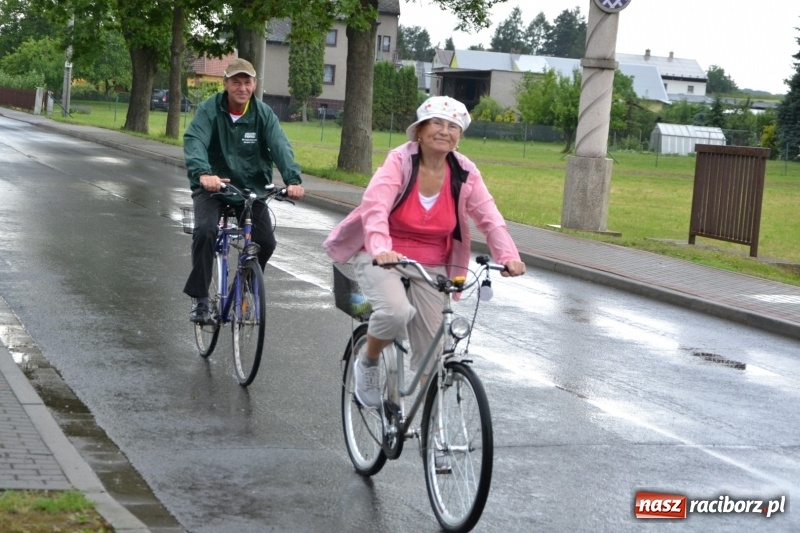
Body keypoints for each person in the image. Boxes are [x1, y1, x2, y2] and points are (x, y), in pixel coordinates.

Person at [323, 95, 526, 408]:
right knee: (395, 312)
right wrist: (381, 247)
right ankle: (368, 362)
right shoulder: (400, 161)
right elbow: (375, 207)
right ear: (419, 130)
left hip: (432, 263)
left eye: (453, 126)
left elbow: (489, 215)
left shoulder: (464, 172)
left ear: (459, 136)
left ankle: (436, 437)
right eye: (437, 123)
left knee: (436, 356)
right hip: (382, 253)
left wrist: (508, 256)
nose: (445, 131)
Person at [183, 58, 304, 323]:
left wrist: (292, 179)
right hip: (213, 187)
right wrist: (204, 173)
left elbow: (280, 145)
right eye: (235, 81)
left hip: (250, 190)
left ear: (254, 85)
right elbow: (195, 140)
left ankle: (245, 287)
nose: (242, 87)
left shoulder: (262, 114)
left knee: (266, 241)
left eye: (247, 82)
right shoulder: (209, 110)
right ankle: (201, 300)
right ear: (225, 84)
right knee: (205, 230)